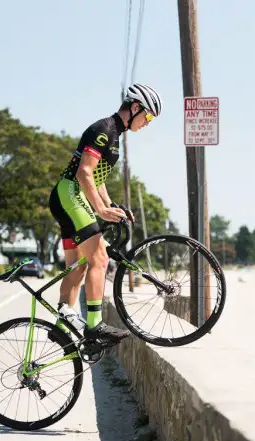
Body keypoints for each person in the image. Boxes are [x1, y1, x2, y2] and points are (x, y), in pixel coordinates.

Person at [49, 83, 163, 341]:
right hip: (70, 194)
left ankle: (61, 326)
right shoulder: (104, 130)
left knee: (76, 268)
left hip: (69, 196)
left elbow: (97, 179)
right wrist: (100, 209)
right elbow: (84, 173)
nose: (147, 123)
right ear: (135, 107)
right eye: (147, 116)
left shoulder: (114, 136)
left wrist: (112, 206)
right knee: (99, 259)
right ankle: (93, 326)